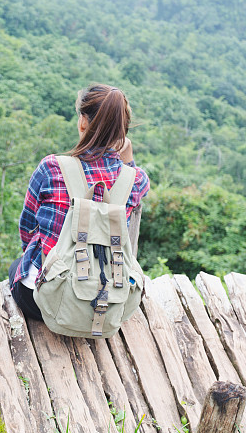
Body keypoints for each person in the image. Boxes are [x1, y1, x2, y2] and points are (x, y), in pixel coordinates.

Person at [9, 83, 149, 320]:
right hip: (106, 304)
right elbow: (136, 185)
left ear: (83, 122)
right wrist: (129, 161)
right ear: (123, 131)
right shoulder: (135, 180)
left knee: (18, 265)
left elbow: (26, 227)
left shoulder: (51, 168)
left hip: (42, 301)